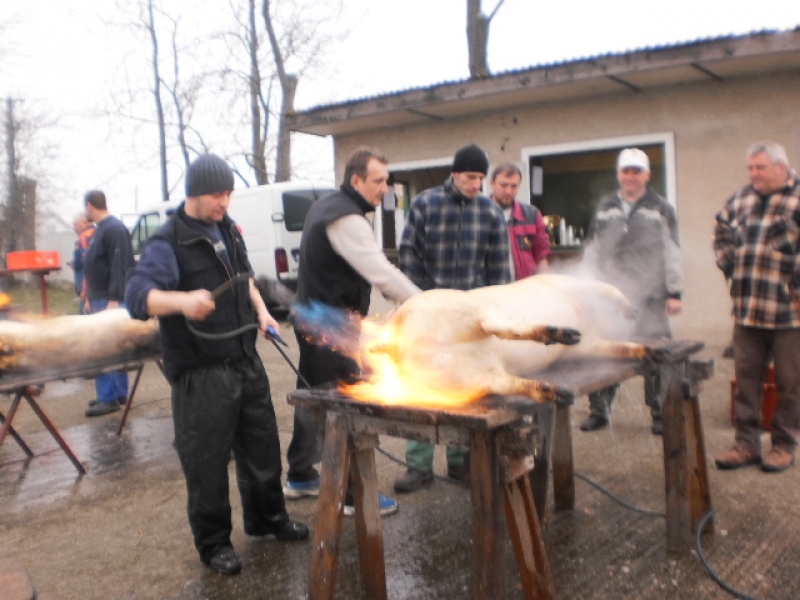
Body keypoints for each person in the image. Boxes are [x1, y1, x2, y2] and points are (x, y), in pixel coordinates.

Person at [125, 154, 308, 576]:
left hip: (245, 360)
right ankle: (213, 544)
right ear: (193, 192)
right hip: (201, 372)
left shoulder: (227, 228)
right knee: (206, 463)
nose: (224, 201)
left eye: (227, 193)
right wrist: (183, 301)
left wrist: (262, 313)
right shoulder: (168, 240)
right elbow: (137, 297)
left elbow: (244, 278)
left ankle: (268, 519)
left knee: (262, 448)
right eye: (216, 194)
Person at [286, 147, 421, 516]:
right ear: (356, 180)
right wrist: (428, 304)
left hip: (314, 317)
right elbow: (382, 274)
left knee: (316, 396)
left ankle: (300, 476)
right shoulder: (347, 218)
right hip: (329, 324)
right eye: (378, 181)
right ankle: (351, 494)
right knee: (344, 407)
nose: (385, 188)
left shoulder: (328, 204)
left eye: (387, 181)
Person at [393, 143, 512, 493]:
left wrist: (497, 313)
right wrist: (418, 300)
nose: (476, 184)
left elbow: (500, 269)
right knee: (423, 385)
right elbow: (408, 253)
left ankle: (460, 462)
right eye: (470, 177)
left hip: (470, 316)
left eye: (480, 178)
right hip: (429, 313)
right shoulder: (425, 204)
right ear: (454, 174)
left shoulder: (490, 213)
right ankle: (418, 465)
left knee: (466, 387)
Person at [580, 148, 683, 435]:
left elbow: (673, 251)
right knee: (606, 352)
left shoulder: (660, 208)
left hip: (651, 295)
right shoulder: (605, 206)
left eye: (636, 171)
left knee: (656, 355)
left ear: (647, 175)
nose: (630, 176)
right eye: (626, 171)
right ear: (619, 174)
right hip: (612, 295)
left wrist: (675, 292)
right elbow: (592, 248)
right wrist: (589, 289)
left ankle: (660, 413)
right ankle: (599, 411)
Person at [713, 141, 800, 473]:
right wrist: (730, 265)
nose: (753, 174)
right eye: (750, 168)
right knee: (746, 380)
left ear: (781, 167)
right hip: (747, 308)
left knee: (791, 383)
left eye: (759, 168)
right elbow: (720, 232)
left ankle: (783, 444)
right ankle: (745, 445)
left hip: (790, 311)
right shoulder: (740, 199)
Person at [83, 191, 134, 417]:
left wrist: (115, 299)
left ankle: (109, 398)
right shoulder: (100, 229)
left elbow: (120, 265)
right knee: (113, 346)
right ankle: (117, 393)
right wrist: (88, 297)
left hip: (109, 299)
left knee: (104, 348)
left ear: (90, 205)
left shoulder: (114, 229)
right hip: (98, 297)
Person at [489, 163, 550, 279]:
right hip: (492, 291)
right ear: (492, 183)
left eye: (514, 186)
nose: (508, 191)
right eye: (504, 185)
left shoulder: (532, 215)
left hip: (525, 290)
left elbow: (542, 254)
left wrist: (544, 284)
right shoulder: (480, 215)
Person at [70, 213, 95, 314]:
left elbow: (89, 265)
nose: (73, 227)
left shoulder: (86, 236)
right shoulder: (94, 233)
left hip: (88, 290)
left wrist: (85, 291)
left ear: (84, 223)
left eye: (75, 224)